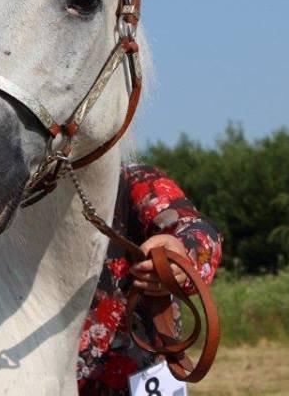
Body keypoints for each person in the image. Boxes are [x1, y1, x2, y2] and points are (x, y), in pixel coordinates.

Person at [76, 163, 223, 395]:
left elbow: (196, 228)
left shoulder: (129, 180)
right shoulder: (16, 187)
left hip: (134, 378)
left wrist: (180, 255)